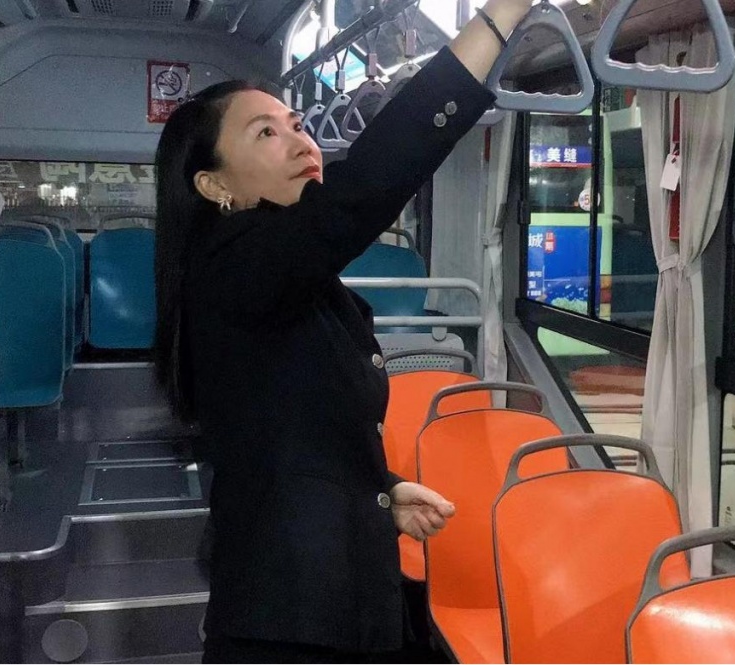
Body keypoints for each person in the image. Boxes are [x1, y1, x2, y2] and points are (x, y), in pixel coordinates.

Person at [153, 1, 533, 662]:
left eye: (297, 125)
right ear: (213, 184)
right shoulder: (230, 267)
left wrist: (382, 492)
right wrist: (499, 18)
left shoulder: (285, 278)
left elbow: (288, 433)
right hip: (289, 625)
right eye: (266, 133)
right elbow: (366, 189)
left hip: (332, 601)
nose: (303, 142)